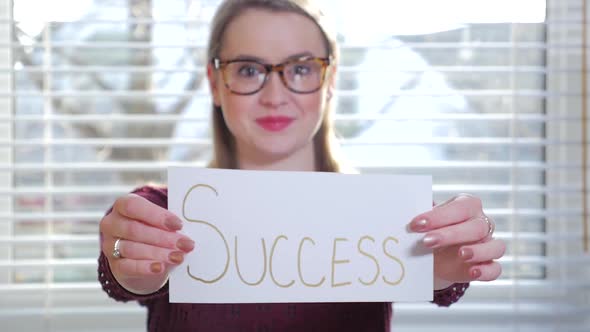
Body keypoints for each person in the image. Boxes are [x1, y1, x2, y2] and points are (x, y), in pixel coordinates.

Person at [98, 0, 506, 331]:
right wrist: (134, 265)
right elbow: (130, 276)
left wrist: (445, 263)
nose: (275, 95)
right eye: (249, 69)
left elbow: (435, 271)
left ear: (330, 80)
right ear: (215, 84)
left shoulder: (387, 218)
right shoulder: (161, 214)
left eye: (300, 68)